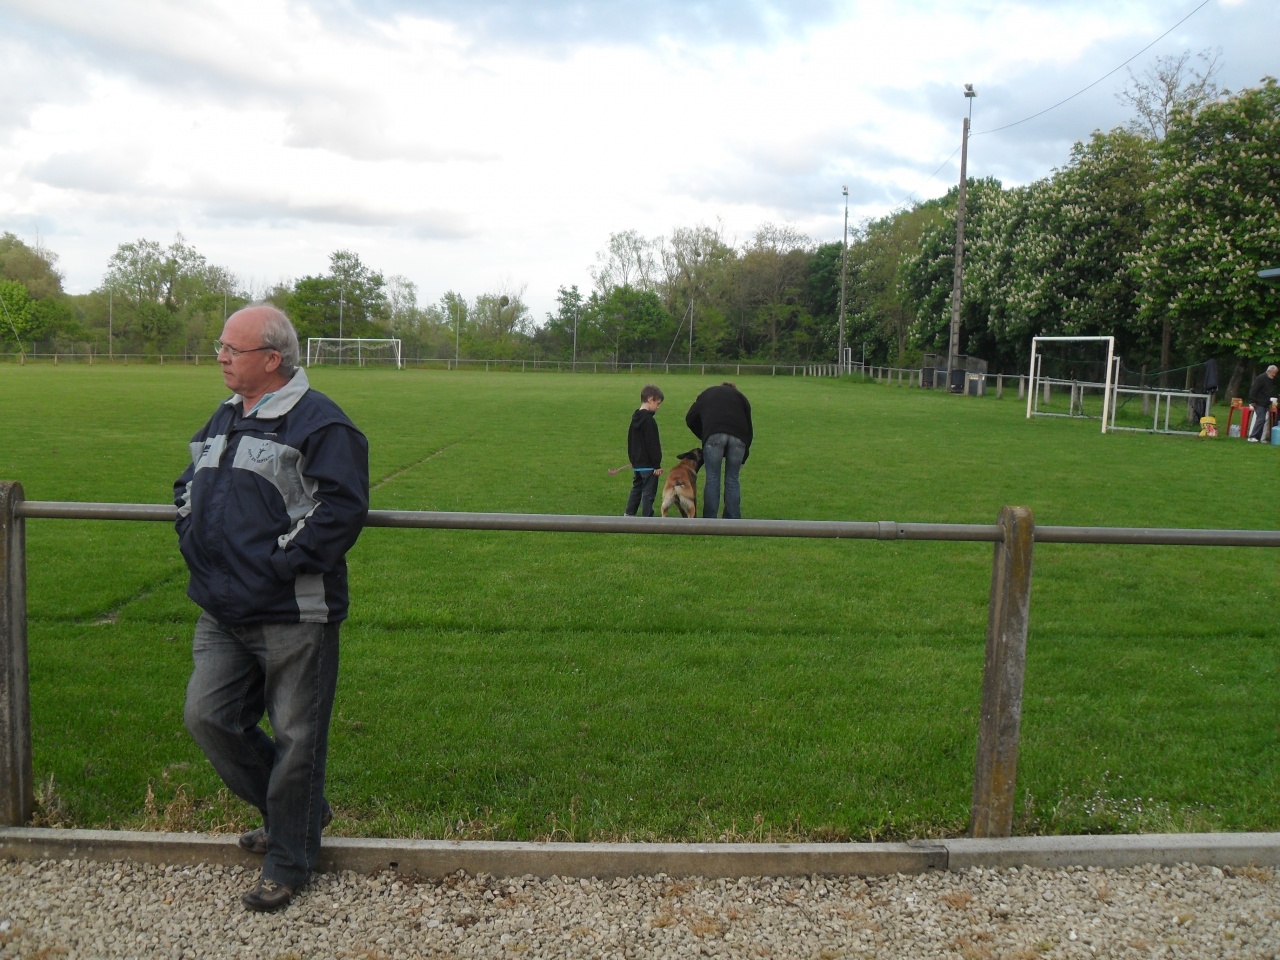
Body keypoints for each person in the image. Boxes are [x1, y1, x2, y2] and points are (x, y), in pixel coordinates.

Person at [174, 304, 369, 912]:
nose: (221, 358)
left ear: (272, 359)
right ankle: (301, 816)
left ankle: (288, 856)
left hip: (292, 611)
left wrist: (281, 563)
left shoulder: (320, 422)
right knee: (208, 718)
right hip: (222, 610)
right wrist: (191, 535)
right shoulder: (226, 416)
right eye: (221, 348)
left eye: (232, 349)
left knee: (297, 739)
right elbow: (188, 485)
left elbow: (340, 509)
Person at [685, 381, 753, 519]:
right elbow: (749, 428)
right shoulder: (741, 397)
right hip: (739, 438)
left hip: (713, 436)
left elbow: (690, 418)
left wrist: (705, 435)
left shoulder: (707, 393)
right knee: (733, 479)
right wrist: (744, 456)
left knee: (712, 478)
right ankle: (732, 519)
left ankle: (710, 519)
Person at [624, 384, 664, 517]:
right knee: (648, 493)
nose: (658, 408)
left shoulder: (634, 418)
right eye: (657, 404)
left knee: (636, 489)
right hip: (648, 465)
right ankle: (647, 519)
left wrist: (633, 459)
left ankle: (629, 514)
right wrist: (657, 465)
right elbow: (653, 444)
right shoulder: (649, 421)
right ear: (650, 399)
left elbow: (631, 441)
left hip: (637, 464)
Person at [1246, 364, 1277, 442]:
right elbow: (1253, 390)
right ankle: (1252, 436)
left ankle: (1258, 437)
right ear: (1269, 371)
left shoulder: (1270, 379)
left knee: (1263, 420)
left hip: (1265, 403)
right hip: (1259, 403)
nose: (1274, 375)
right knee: (1261, 419)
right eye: (1274, 373)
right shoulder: (1260, 378)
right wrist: (1252, 402)